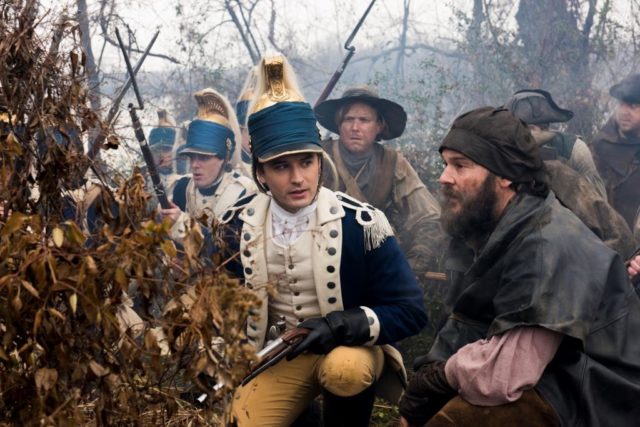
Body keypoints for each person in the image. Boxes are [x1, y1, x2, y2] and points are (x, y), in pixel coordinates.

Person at [398, 107, 640, 426]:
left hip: (604, 393)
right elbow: (468, 322)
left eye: (460, 165)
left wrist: (441, 376)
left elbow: (506, 373)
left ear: (505, 174)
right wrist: (423, 391)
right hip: (558, 372)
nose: (444, 177)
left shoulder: (548, 242)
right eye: (445, 164)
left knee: (464, 418)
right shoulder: (490, 228)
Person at [221, 55, 428, 426]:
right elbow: (220, 304)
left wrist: (342, 325)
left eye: (306, 162)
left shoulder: (362, 224)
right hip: (277, 356)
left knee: (345, 371)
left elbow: (411, 310)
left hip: (349, 352)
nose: (298, 177)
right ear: (262, 173)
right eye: (282, 166)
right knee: (238, 422)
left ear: (320, 161)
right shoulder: (236, 225)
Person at [314, 87, 442, 278]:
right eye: (348, 119)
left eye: (364, 120)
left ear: (379, 126)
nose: (355, 128)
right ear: (339, 124)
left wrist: (415, 262)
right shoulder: (316, 157)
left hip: (372, 266)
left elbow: (428, 217)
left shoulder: (392, 162)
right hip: (319, 260)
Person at [159, 88, 255, 244]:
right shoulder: (182, 188)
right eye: (191, 156)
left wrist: (182, 224)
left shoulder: (244, 194)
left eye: (204, 157)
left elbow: (229, 254)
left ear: (225, 157)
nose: (195, 165)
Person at [504, 88, 606, 198]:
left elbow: (598, 201)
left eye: (529, 128)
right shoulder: (499, 145)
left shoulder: (572, 149)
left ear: (545, 127)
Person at [591, 74, 640, 230]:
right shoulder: (600, 146)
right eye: (621, 104)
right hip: (607, 237)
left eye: (633, 106)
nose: (625, 112)